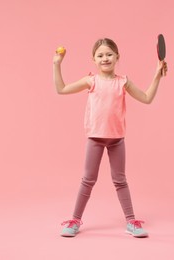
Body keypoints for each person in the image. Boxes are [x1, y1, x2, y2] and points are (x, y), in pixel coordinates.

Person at [52, 38, 167, 238]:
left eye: (109, 54)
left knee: (120, 180)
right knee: (87, 180)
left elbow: (147, 98)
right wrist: (57, 64)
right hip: (95, 138)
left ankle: (131, 222)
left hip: (117, 139)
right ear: (94, 59)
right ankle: (75, 220)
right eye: (100, 55)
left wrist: (157, 75)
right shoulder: (91, 81)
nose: (105, 58)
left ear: (117, 57)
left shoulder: (123, 82)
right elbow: (61, 89)